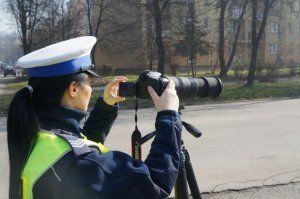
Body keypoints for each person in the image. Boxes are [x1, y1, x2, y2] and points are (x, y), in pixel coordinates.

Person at [7, 36, 182, 199]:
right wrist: (168, 115)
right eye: (90, 83)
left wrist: (106, 107)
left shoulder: (39, 135)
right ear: (73, 89)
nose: (90, 90)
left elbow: (77, 145)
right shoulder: (80, 162)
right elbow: (156, 182)